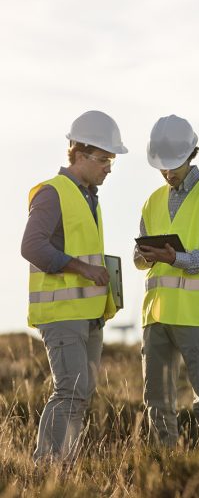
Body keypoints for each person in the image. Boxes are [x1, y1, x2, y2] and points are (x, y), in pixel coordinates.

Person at [21, 110, 127, 463]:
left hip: (89, 316)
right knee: (70, 391)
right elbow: (32, 247)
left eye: (111, 160)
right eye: (104, 159)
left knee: (81, 394)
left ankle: (63, 467)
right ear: (79, 155)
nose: (109, 167)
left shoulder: (88, 196)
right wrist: (82, 269)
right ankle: (45, 467)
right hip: (62, 314)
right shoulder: (53, 194)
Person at [134, 115, 199, 454]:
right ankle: (166, 469)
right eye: (162, 166)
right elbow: (138, 260)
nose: (168, 172)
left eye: (174, 164)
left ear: (192, 154)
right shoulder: (151, 201)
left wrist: (175, 258)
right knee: (157, 401)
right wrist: (145, 255)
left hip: (198, 317)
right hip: (157, 318)